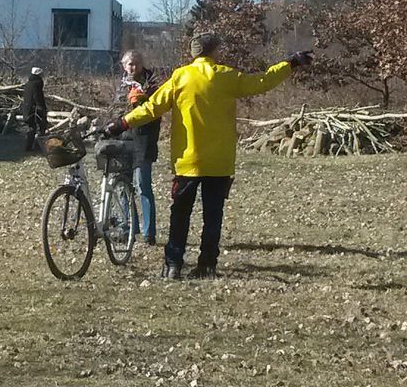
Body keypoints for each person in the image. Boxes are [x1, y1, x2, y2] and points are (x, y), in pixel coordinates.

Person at [106, 33, 312, 279]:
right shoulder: (226, 76)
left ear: (194, 53)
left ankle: (172, 264)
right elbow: (262, 81)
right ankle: (207, 265)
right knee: (213, 215)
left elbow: (151, 108)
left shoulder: (180, 77)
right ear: (214, 51)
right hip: (219, 162)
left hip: (187, 162)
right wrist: (291, 63)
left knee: (180, 214)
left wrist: (122, 123)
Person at [117, 50, 161, 245]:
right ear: (123, 66)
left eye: (136, 63)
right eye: (129, 64)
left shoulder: (151, 85)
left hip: (143, 140)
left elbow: (153, 111)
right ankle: (129, 227)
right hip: (123, 140)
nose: (133, 67)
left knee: (143, 185)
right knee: (122, 185)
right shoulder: (121, 86)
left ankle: (148, 232)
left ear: (142, 64)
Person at [21, 67, 48, 154]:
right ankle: (39, 146)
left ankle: (28, 147)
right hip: (35, 110)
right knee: (41, 128)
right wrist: (41, 108)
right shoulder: (37, 84)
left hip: (27, 109)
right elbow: (37, 97)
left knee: (31, 128)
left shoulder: (28, 84)